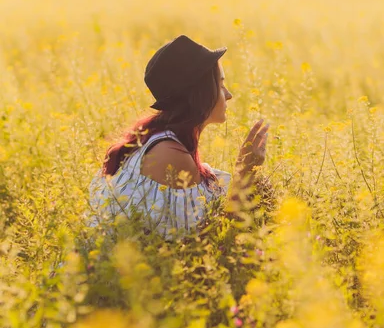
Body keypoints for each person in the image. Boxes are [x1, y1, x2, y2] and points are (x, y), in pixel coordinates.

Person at [86, 35, 270, 240]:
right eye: (220, 84)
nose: (229, 95)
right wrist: (244, 171)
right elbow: (205, 244)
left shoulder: (160, 138)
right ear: (200, 93)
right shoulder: (171, 155)